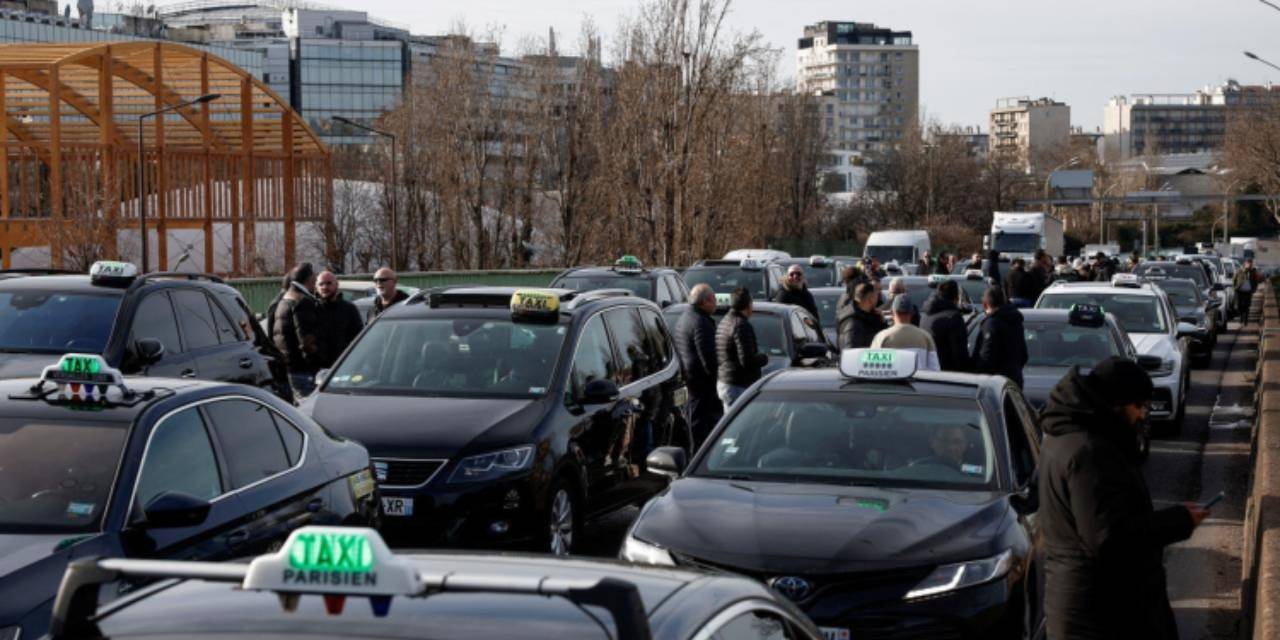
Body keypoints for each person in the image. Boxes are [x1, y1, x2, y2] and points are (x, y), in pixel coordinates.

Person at [1039, 356, 1207, 640]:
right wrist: (1178, 521)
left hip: (1081, 604)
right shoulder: (1089, 452)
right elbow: (1110, 539)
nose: (1142, 414)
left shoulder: (1065, 436)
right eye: (1138, 406)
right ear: (1115, 403)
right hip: (1100, 614)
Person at [674, 284, 722, 447]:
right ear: (706, 301)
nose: (716, 303)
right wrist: (718, 380)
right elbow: (709, 359)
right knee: (700, 430)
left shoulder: (685, 316)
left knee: (694, 425)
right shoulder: (701, 322)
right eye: (714, 299)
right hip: (701, 386)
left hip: (690, 381)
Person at [272, 262, 322, 397]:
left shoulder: (285, 299)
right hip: (304, 371)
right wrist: (316, 364)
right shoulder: (302, 301)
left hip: (290, 367)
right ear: (310, 279)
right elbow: (306, 341)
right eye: (315, 278)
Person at [715, 287, 769, 411]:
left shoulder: (724, 321)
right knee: (739, 429)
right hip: (738, 385)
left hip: (726, 381)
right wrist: (764, 358)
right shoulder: (740, 325)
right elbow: (747, 360)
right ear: (748, 305)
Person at [972, 286, 1029, 388]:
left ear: (985, 305)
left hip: (995, 386)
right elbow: (1023, 355)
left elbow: (987, 357)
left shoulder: (991, 324)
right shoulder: (1016, 322)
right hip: (1015, 381)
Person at [871, 295, 940, 371]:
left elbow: (873, 369)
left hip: (890, 382)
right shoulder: (926, 337)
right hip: (919, 382)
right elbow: (935, 369)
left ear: (892, 313)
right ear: (912, 313)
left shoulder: (882, 337)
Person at [314, 270, 364, 370]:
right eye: (321, 284)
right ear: (316, 287)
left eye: (329, 283)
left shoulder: (349, 309)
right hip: (317, 368)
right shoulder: (311, 309)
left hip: (343, 367)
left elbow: (358, 339)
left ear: (337, 285)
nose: (325, 287)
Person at [920, 280, 970, 372]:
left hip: (926, 373)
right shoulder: (953, 317)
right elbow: (960, 356)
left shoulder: (925, 314)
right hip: (947, 376)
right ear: (956, 298)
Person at [838, 281, 887, 350]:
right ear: (871, 299)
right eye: (876, 295)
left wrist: (882, 320)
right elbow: (852, 353)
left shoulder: (871, 315)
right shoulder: (853, 324)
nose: (878, 298)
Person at [1234, 258, 1262, 324]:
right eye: (1248, 263)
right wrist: (1235, 287)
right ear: (1245, 264)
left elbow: (1256, 281)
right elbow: (1234, 279)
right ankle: (1241, 317)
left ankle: (1246, 319)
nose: (1249, 265)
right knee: (1239, 305)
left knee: (1247, 305)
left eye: (1250, 263)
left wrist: (1254, 289)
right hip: (1240, 291)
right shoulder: (1239, 271)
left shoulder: (1253, 272)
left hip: (1248, 292)